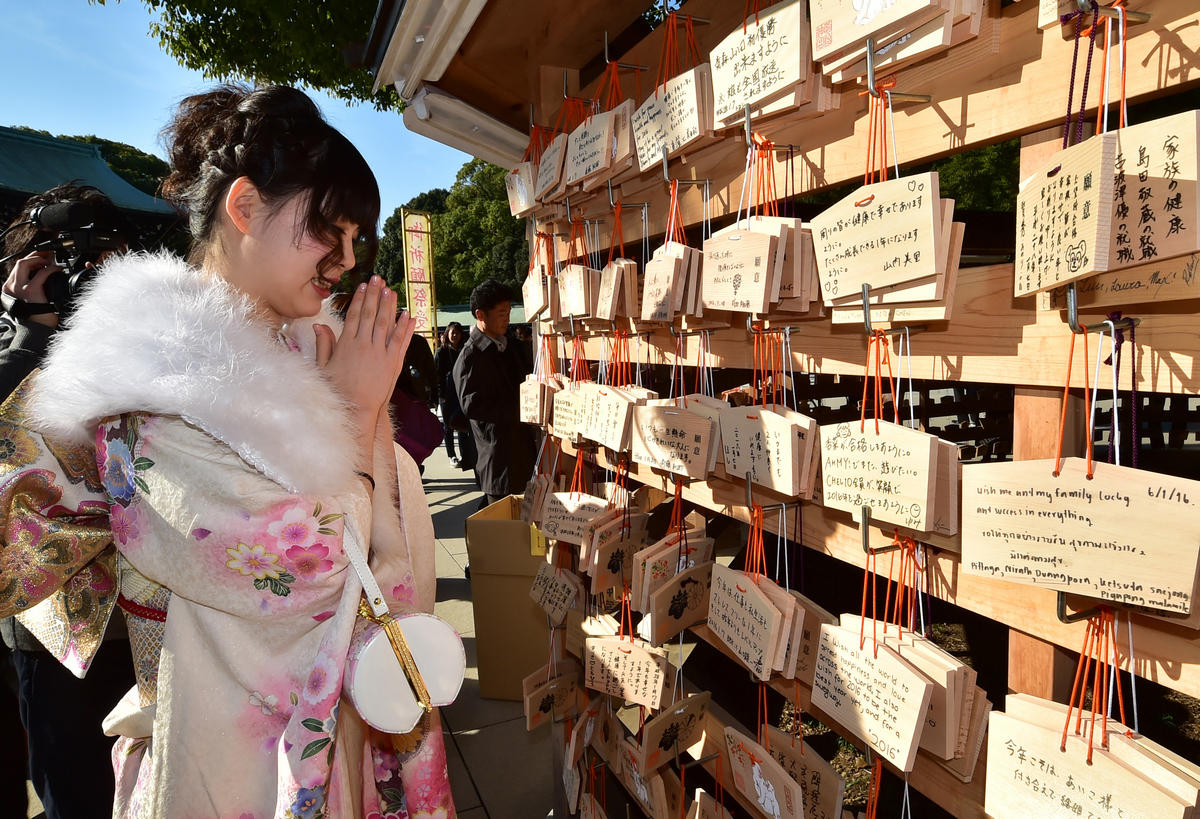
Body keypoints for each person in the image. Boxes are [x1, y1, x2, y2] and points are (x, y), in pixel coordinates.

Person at [0, 85, 452, 817]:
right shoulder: (149, 381)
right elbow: (303, 568)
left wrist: (353, 417)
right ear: (244, 208)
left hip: (319, 735)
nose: (344, 259)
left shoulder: (313, 347)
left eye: (352, 239)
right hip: (217, 744)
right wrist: (357, 413)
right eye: (325, 232)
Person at [0, 183, 137, 819]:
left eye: (97, 258)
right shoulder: (12, 338)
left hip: (147, 610)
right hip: (51, 627)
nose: (80, 278)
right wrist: (29, 336)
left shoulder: (145, 332)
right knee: (76, 796)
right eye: (62, 261)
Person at [452, 279, 536, 508]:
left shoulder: (510, 346)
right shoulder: (470, 356)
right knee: (504, 529)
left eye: (508, 312)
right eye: (501, 313)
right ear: (480, 314)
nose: (507, 318)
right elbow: (473, 406)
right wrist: (523, 407)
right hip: (497, 458)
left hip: (522, 451)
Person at [435, 321, 474, 469]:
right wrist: (440, 394)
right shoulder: (441, 352)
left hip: (461, 393)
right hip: (446, 394)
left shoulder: (464, 351)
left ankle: (465, 456)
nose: (455, 335)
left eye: (457, 332)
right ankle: (451, 455)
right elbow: (437, 375)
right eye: (452, 332)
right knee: (448, 426)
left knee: (462, 424)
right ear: (447, 333)